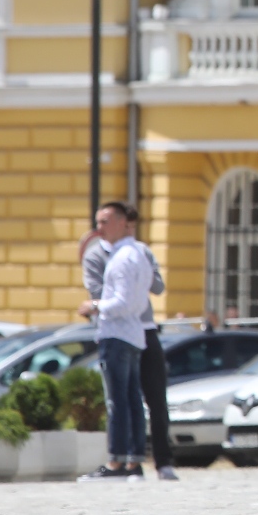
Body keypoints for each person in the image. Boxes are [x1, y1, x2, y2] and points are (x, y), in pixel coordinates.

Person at [80, 204, 177, 481]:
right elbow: (101, 288)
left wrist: (97, 305)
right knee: (127, 398)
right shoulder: (97, 255)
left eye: (107, 222)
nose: (101, 228)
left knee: (145, 398)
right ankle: (133, 462)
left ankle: (149, 461)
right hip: (128, 327)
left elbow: (149, 290)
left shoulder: (134, 253)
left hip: (134, 329)